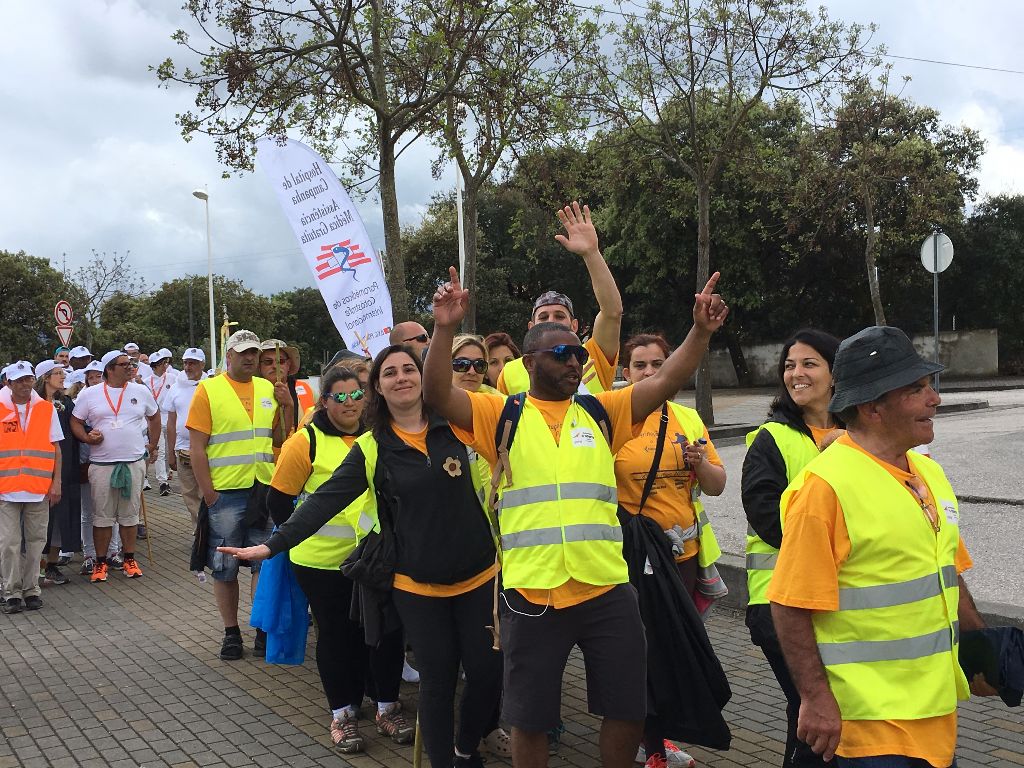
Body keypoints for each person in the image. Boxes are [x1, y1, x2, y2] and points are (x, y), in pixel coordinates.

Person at [423, 266, 728, 768]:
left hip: (607, 588)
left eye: (579, 354)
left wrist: (700, 331)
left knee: (627, 705)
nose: (574, 361)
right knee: (530, 718)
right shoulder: (500, 415)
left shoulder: (602, 412)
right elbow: (437, 394)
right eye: (561, 353)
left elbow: (668, 379)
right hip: (532, 593)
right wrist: (443, 329)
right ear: (529, 362)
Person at [221, 344, 503, 768]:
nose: (401, 377)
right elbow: (323, 501)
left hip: (479, 576)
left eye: (409, 369)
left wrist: (445, 330)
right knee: (439, 680)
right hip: (416, 585)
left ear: (423, 378)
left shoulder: (459, 427)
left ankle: (466, 747)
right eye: (389, 372)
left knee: (486, 673)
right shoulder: (372, 447)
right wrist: (272, 545)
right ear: (378, 389)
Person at [769, 326, 989, 768]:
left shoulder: (928, 473)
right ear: (871, 408)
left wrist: (983, 653)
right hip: (867, 726)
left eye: (929, 386)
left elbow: (947, 570)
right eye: (916, 389)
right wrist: (815, 697)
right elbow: (790, 604)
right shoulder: (824, 488)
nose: (935, 399)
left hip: (933, 710)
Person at [265, 366, 405, 753]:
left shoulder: (381, 436)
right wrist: (298, 537)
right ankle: (343, 714)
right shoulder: (305, 442)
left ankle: (387, 707)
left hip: (375, 561)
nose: (349, 403)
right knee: (338, 636)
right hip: (322, 563)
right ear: (324, 401)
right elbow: (278, 501)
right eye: (339, 396)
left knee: (384, 635)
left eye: (356, 394)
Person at [615, 333, 727, 768]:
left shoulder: (688, 418)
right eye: (639, 365)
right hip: (634, 558)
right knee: (646, 654)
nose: (649, 372)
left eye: (658, 363)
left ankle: (661, 738)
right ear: (626, 372)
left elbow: (716, 486)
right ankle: (652, 747)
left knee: (677, 651)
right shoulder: (615, 417)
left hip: (683, 557)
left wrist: (702, 463)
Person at [741, 329, 842, 768]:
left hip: (835, 601)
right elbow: (767, 518)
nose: (796, 374)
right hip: (777, 602)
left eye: (809, 364)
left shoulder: (859, 431)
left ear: (836, 373)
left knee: (813, 715)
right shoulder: (772, 438)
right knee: (816, 711)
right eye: (789, 365)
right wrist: (829, 458)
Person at [187, 330, 294, 660]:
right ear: (229, 355)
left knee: (263, 563)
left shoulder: (267, 388)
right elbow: (197, 448)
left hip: (263, 488)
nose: (250, 358)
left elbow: (280, 437)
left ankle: (261, 629)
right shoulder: (209, 389)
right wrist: (209, 494)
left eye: (254, 353)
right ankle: (231, 632)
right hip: (225, 492)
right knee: (225, 567)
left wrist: (287, 405)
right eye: (243, 352)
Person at [495, 202, 622, 397]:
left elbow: (612, 312)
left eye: (559, 316)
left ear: (574, 325)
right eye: (543, 317)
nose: (551, 321)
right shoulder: (510, 372)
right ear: (531, 327)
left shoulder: (592, 356)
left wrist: (591, 253)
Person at [71, 351, 160, 582]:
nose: (130, 367)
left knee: (130, 516)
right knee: (102, 517)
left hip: (133, 463)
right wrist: (87, 438)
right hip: (102, 465)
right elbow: (75, 421)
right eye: (124, 364)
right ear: (110, 369)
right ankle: (100, 563)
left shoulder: (140, 391)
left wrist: (152, 444)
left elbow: (154, 416)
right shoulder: (90, 393)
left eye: (131, 363)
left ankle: (129, 559)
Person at [0, 362, 62, 613]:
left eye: (28, 379)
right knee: (9, 543)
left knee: (36, 542)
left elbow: (56, 448)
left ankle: (31, 590)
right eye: (19, 380)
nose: (25, 384)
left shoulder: (46, 409)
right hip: (6, 488)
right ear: (8, 383)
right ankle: (11, 592)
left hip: (38, 487)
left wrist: (56, 482)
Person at [34, 361, 82, 585]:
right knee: (39, 520)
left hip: (65, 465)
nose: (63, 377)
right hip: (39, 467)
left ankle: (51, 564)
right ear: (45, 377)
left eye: (63, 373)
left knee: (61, 517)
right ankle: (36, 567)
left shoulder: (66, 403)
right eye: (58, 373)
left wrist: (90, 434)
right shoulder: (33, 403)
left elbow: (76, 425)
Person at [76, 360, 122, 576]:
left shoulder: (115, 396)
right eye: (91, 377)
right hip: (87, 463)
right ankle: (89, 555)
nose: (95, 380)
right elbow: (75, 427)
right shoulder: (82, 399)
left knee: (112, 511)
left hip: (112, 461)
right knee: (88, 512)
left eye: (98, 376)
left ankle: (113, 552)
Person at [166, 348, 207, 527]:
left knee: (206, 491)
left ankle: (209, 529)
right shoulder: (175, 387)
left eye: (193, 363)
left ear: (202, 365)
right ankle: (199, 530)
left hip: (208, 448)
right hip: (183, 449)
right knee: (189, 494)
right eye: (185, 363)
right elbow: (171, 422)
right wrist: (170, 452)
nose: (188, 367)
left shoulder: (211, 385)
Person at [145, 348, 177, 496]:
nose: (165, 365)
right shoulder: (147, 382)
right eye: (161, 363)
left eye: (165, 362)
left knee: (170, 450)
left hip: (169, 418)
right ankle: (162, 482)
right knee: (161, 451)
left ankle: (166, 474)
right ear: (155, 365)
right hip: (155, 419)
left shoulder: (172, 378)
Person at [259, 339, 302, 431]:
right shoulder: (252, 391)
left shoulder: (308, 390)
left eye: (280, 361)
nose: (275, 366)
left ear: (288, 364)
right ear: (259, 366)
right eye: (268, 362)